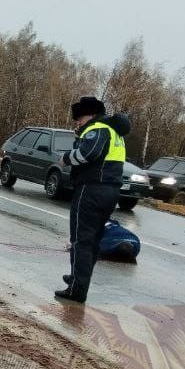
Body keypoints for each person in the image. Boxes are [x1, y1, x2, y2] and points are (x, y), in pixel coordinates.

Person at [55, 96, 131, 304]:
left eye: (79, 118)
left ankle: (77, 288)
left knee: (81, 240)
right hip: (110, 190)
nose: (77, 122)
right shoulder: (114, 132)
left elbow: (89, 153)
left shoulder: (98, 129)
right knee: (92, 240)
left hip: (91, 189)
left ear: (89, 114)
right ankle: (77, 278)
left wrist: (66, 158)